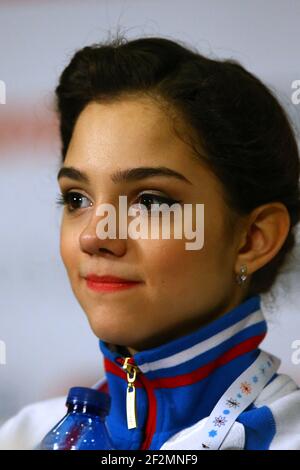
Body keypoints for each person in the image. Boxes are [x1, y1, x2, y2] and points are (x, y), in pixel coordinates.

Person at [1, 34, 300, 450]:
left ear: (253, 239)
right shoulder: (21, 437)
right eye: (77, 199)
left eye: (150, 201)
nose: (94, 236)